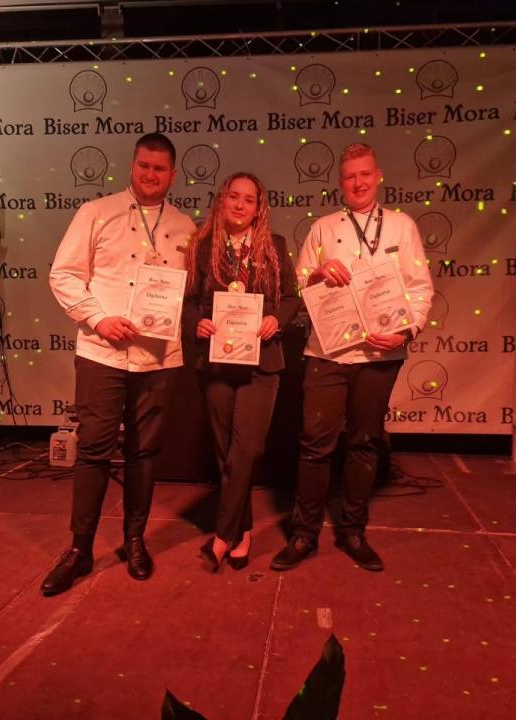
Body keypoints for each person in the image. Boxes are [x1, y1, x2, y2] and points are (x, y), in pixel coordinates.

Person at [44, 133, 196, 595]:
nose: (150, 174)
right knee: (93, 449)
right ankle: (80, 549)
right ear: (132, 167)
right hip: (102, 352)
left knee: (144, 452)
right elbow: (63, 274)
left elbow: (189, 290)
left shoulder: (186, 227)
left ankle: (134, 540)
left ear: (173, 174)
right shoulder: (95, 212)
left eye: (159, 168)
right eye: (143, 166)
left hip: (158, 356)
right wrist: (99, 318)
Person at [270, 143, 434, 573]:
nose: (358, 183)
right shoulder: (323, 229)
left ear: (377, 176)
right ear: (340, 182)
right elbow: (299, 288)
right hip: (327, 352)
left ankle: (353, 530)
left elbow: (420, 288)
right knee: (314, 443)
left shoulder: (402, 226)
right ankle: (304, 534)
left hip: (380, 353)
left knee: (365, 442)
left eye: (364, 174)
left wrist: (406, 330)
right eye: (349, 176)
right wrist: (318, 273)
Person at [183, 172, 300, 572]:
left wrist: (276, 319)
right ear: (222, 200)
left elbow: (291, 299)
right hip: (217, 359)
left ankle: (221, 535)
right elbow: (189, 301)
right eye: (233, 196)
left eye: (248, 199)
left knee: (246, 449)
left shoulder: (273, 246)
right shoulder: (203, 247)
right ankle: (243, 530)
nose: (239, 204)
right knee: (226, 454)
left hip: (262, 362)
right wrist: (196, 323)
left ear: (258, 208)